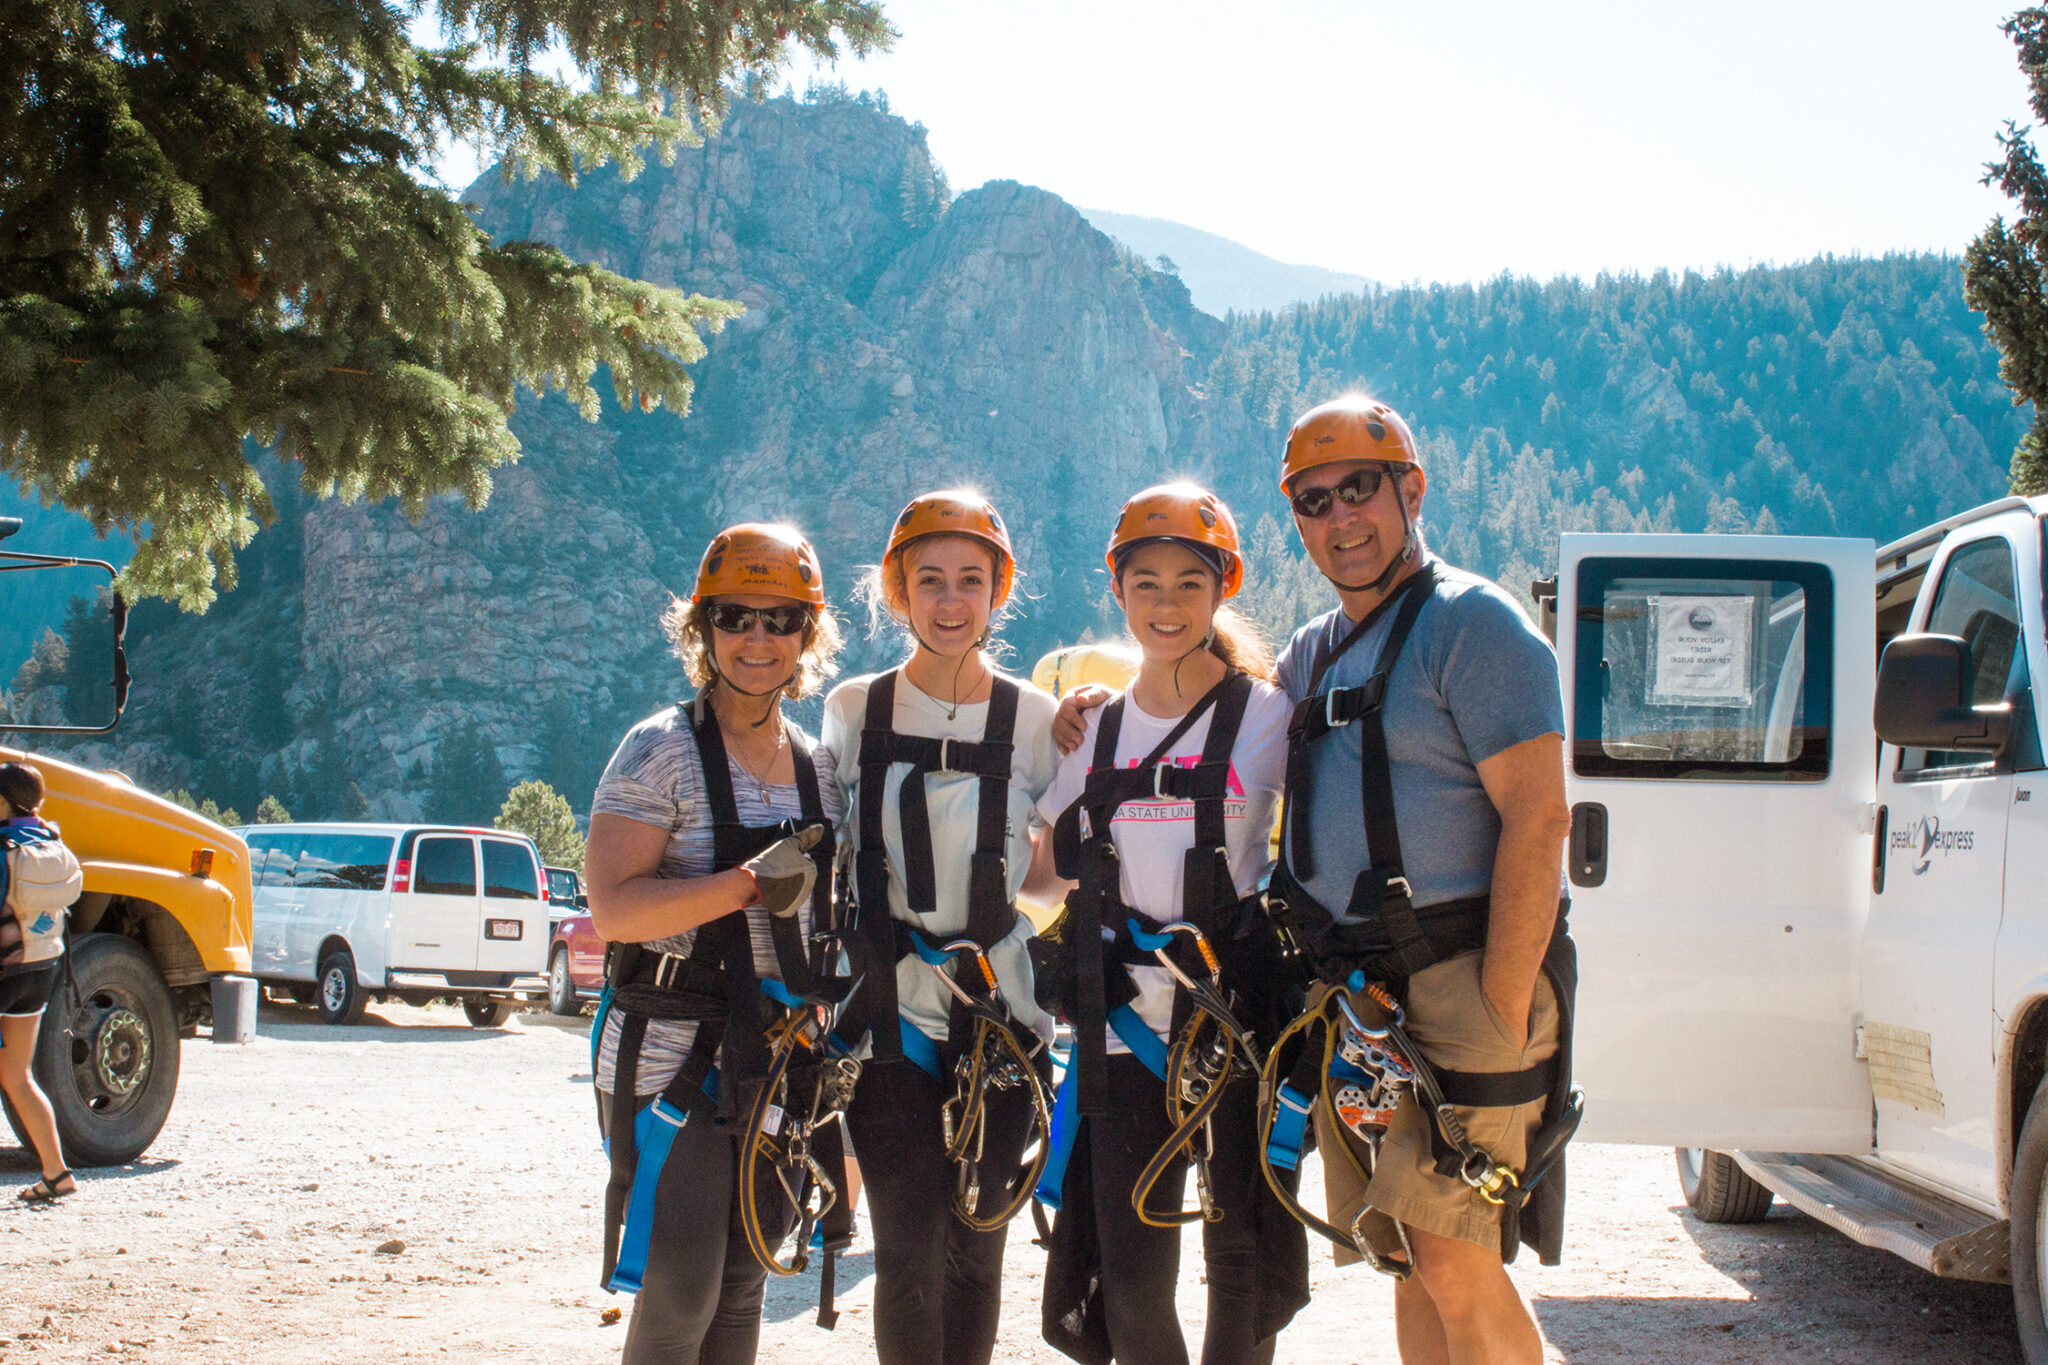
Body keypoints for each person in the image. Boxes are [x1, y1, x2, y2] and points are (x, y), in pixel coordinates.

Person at [1265, 395, 1576, 1365]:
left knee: (1454, 1254)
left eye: (1359, 488)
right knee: (1402, 1250)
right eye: (1312, 501)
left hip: (1465, 976)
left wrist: (1501, 998)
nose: (1338, 516)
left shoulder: (1470, 625)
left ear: (1410, 489)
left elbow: (1538, 814)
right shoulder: (1312, 652)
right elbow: (1222, 722)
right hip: (1362, 1004)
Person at [1028, 483, 1308, 1365]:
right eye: (1145, 583)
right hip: (1121, 1037)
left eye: (1190, 582)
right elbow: (1041, 872)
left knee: (1241, 1270)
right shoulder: (1098, 731)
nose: (1166, 605)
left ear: (1222, 588)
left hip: (1235, 1029)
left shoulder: (1266, 717)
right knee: (1133, 1275)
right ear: (1118, 591)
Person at [583, 523, 849, 1365]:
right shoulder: (659, 749)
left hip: (772, 1060)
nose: (758, 639)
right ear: (703, 630)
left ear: (809, 634)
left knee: (743, 1287)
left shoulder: (819, 770)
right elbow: (614, 908)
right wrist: (741, 884)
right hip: (674, 1056)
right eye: (735, 617)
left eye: (780, 620)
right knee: (683, 1289)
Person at [820, 489, 1062, 1365]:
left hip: (1001, 1022)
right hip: (889, 1020)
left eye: (971, 579)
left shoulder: (1036, 721)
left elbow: (1058, 867)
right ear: (897, 592)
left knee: (978, 1248)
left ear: (1000, 589)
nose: (951, 601)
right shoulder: (855, 711)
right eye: (930, 580)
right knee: (911, 1253)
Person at [0, 761, 85, 1203]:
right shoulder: (53, 844)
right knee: (17, 1077)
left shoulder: (3, 849)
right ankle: (57, 1173)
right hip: (38, 971)